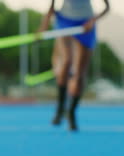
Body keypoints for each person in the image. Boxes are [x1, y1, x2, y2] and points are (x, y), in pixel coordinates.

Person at [39, 0, 110, 131]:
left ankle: (71, 112)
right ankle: (60, 109)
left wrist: (93, 20)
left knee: (79, 74)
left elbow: (107, 7)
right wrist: (43, 27)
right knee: (67, 61)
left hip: (86, 23)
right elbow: (52, 7)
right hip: (64, 21)